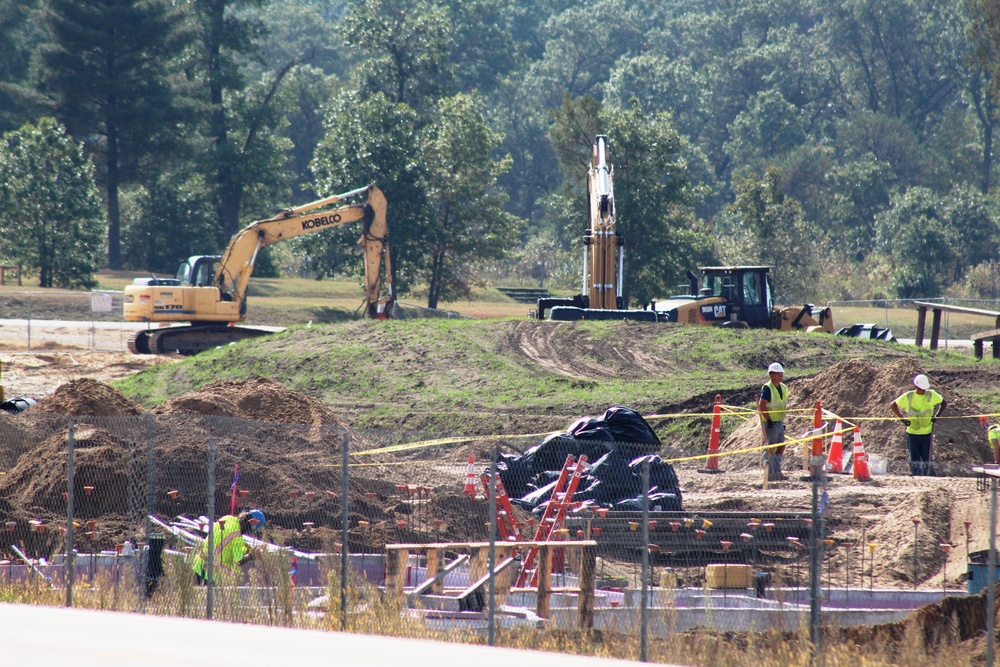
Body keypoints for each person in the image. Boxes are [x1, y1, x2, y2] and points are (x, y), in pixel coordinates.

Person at [192, 509, 266, 584]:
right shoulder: (237, 537)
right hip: (213, 574)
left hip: (199, 564)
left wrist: (245, 546)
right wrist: (251, 555)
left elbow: (224, 539)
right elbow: (238, 561)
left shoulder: (227, 518)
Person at [891, 374, 945, 476]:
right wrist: (902, 419)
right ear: (916, 386)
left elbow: (944, 403)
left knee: (926, 457)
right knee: (914, 457)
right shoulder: (908, 396)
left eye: (924, 389)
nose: (923, 391)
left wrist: (937, 416)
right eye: (921, 389)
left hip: (927, 432)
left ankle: (928, 476)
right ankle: (916, 476)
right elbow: (893, 405)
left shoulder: (931, 395)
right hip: (912, 432)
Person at [758, 362, 788, 481]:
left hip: (779, 421)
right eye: (778, 373)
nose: (781, 376)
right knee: (770, 447)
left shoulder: (784, 388)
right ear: (772, 374)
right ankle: (769, 472)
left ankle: (776, 469)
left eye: (781, 373)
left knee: (781, 446)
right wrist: (769, 420)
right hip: (771, 423)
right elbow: (762, 405)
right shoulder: (767, 388)